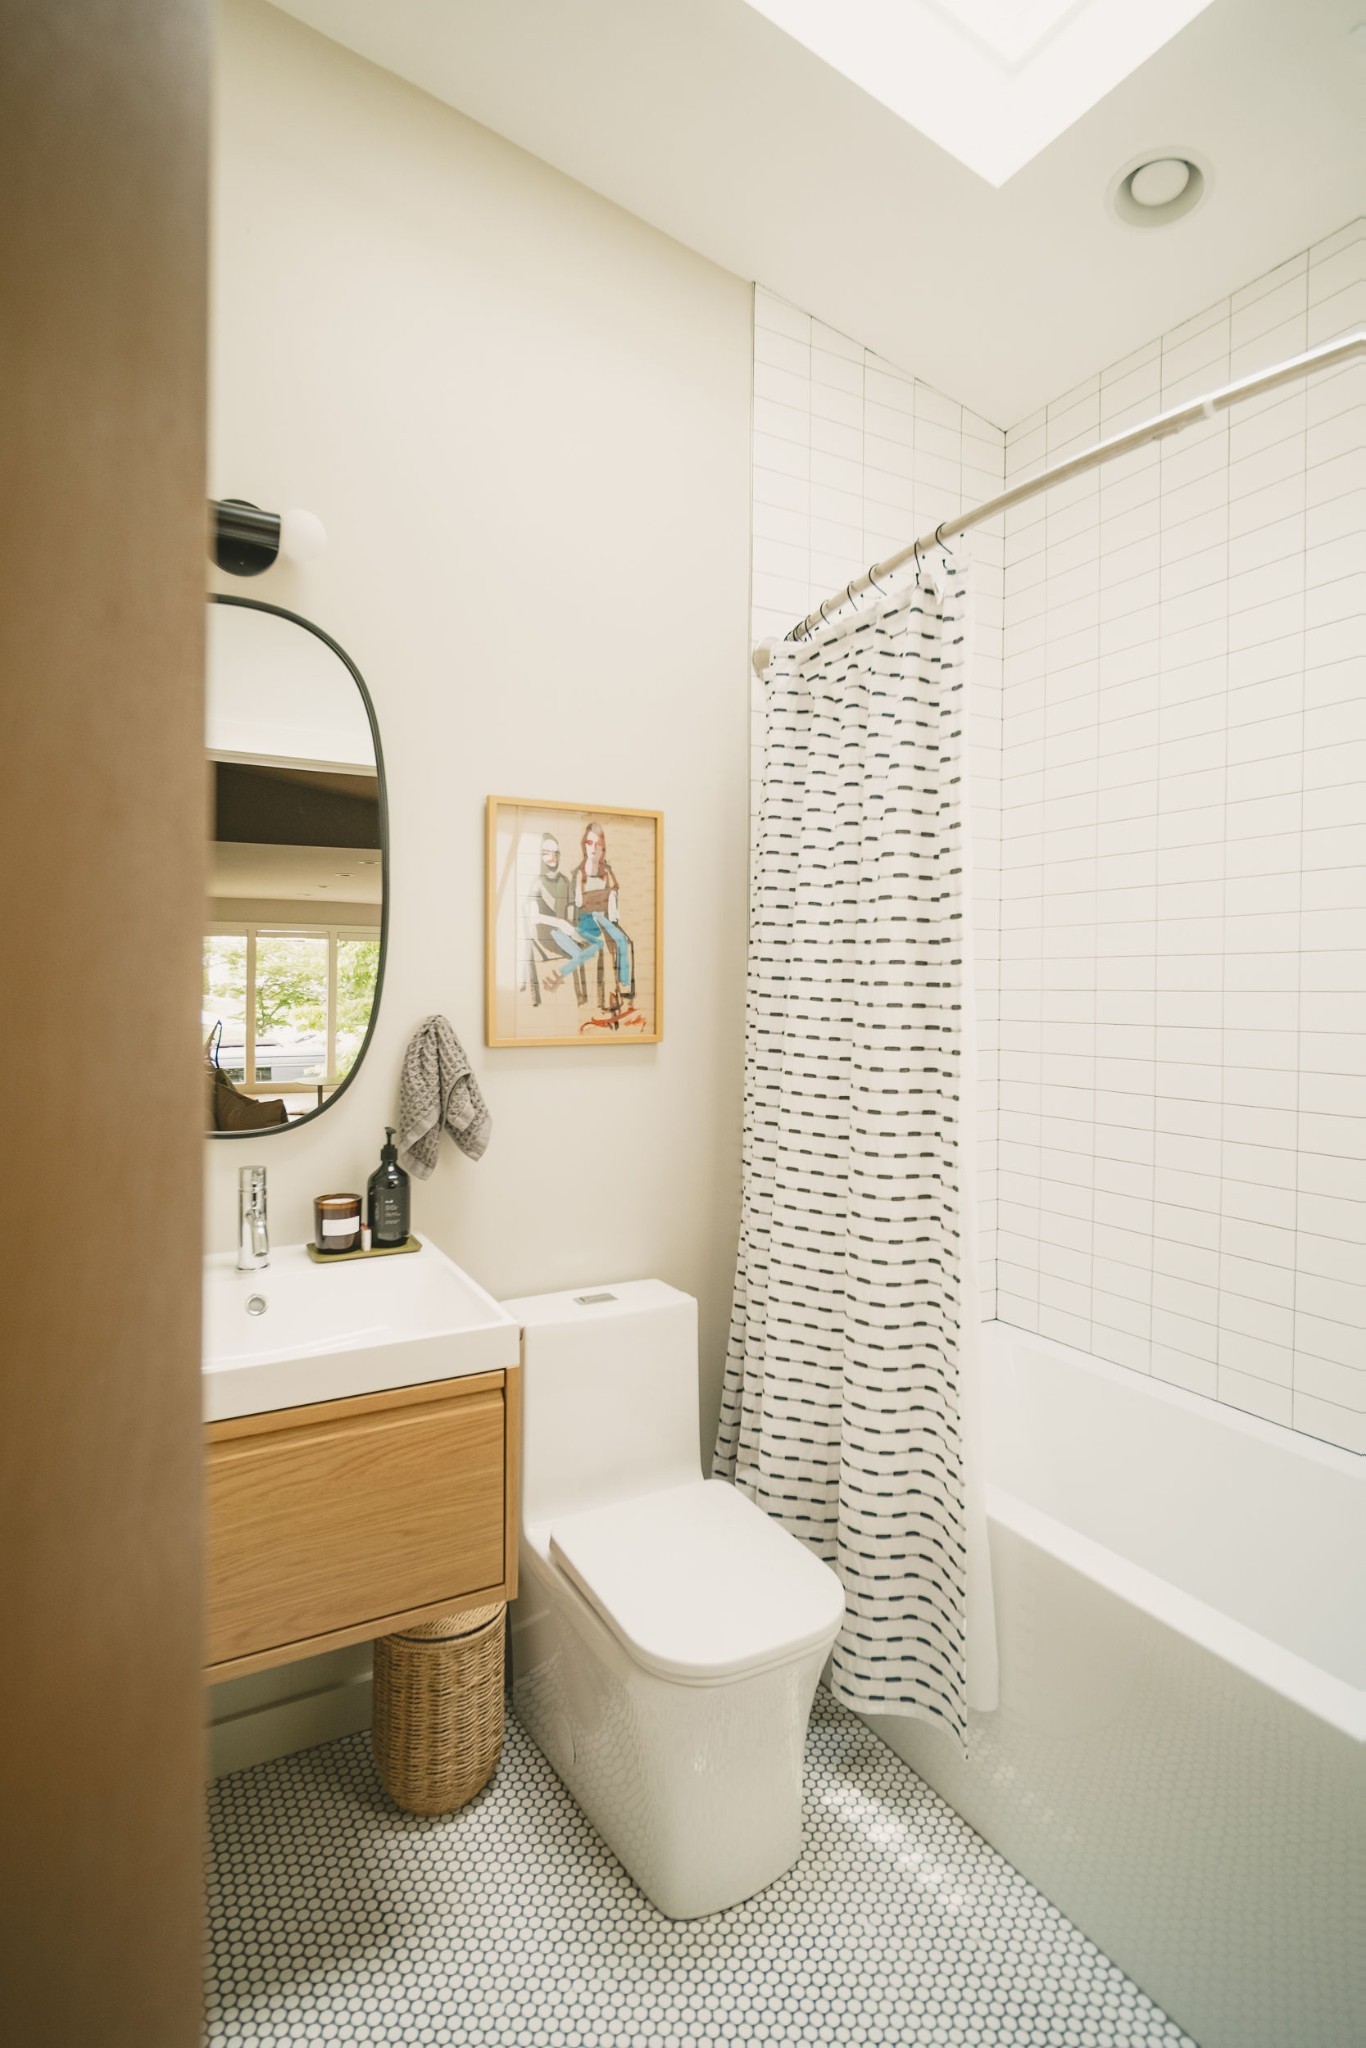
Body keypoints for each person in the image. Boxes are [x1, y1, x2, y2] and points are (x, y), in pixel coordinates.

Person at [545, 820, 633, 998]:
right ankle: (608, 991)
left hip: (605, 917)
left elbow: (614, 894)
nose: (593, 848)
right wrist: (601, 897)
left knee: (623, 940)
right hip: (588, 920)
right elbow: (579, 903)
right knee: (599, 947)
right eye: (589, 843)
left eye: (598, 844)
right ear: (584, 845)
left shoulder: (607, 870)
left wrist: (606, 900)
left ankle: (624, 985)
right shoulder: (579, 873)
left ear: (603, 848)